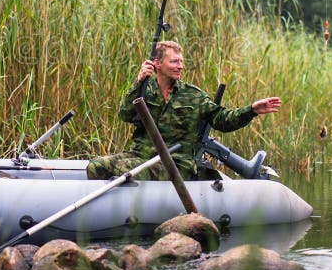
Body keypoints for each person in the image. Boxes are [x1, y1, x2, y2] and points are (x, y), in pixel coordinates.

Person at [86, 40, 281, 180]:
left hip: (176, 163)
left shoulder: (193, 95)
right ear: (157, 64)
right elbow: (125, 114)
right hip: (141, 156)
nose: (180, 66)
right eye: (174, 62)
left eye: (181, 61)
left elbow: (222, 119)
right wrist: (138, 83)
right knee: (96, 166)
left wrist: (252, 110)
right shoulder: (145, 89)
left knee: (123, 168)